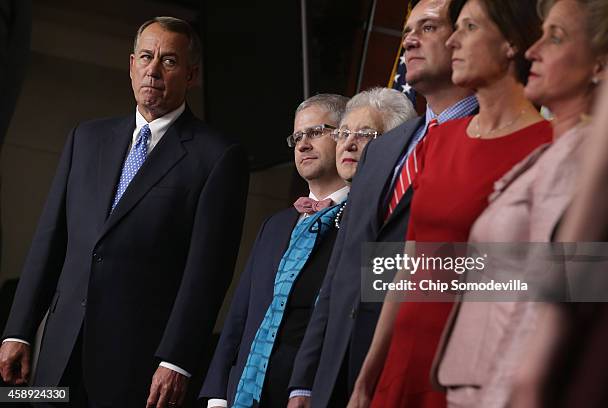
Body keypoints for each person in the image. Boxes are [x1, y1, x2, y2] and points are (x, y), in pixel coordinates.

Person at [0, 17, 249, 407]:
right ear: (131, 64)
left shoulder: (217, 157)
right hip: (58, 353)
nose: (153, 69)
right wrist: (18, 330)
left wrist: (177, 360)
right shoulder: (86, 138)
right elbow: (50, 241)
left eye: (168, 61)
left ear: (191, 74)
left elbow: (207, 272)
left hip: (137, 366)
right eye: (146, 57)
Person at [350, 0, 551, 407]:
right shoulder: (440, 141)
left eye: (469, 27)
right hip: (400, 362)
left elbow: (561, 278)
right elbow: (409, 266)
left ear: (511, 41)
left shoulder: (550, 145)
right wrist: (369, 373)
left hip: (474, 371)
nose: (453, 39)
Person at [288, 1, 478, 406]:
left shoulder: (491, 136)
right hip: (336, 375)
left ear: (465, 35)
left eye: (428, 27)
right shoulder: (385, 147)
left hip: (422, 374)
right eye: (409, 29)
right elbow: (341, 271)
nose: (409, 39)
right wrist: (305, 381)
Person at [433, 0, 608, 406]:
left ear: (601, 65)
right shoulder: (555, 151)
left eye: (557, 37)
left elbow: (547, 295)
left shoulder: (579, 155)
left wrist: (509, 391)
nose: (533, 49)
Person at [199, 94, 349, 408]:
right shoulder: (275, 225)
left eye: (315, 132)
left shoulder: (364, 222)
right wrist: (216, 394)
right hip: (244, 396)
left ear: (346, 136)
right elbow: (239, 314)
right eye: (297, 137)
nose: (303, 145)